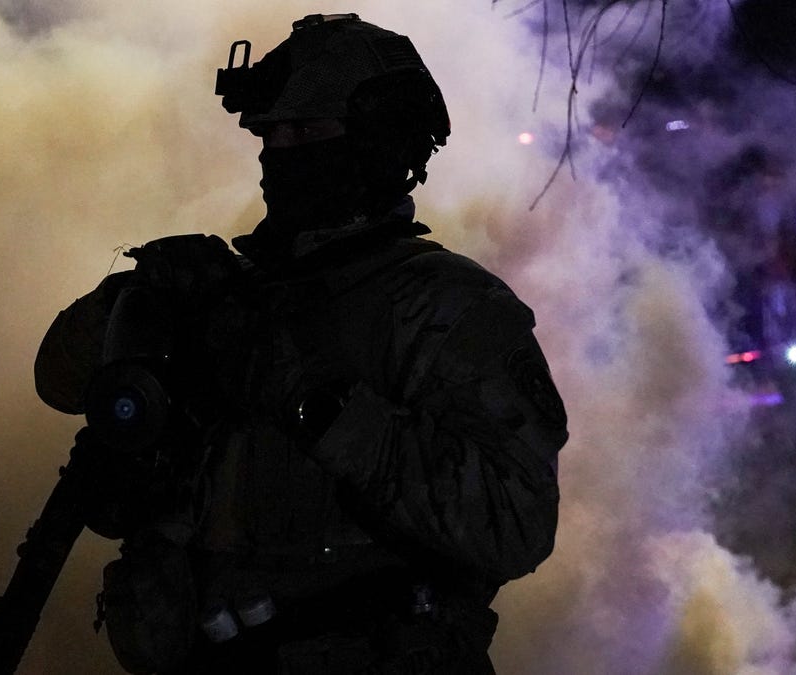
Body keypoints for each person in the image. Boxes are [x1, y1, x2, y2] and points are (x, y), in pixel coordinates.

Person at [34, 14, 568, 675]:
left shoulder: (443, 307)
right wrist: (132, 305)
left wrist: (313, 401)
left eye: (307, 131)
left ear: (376, 145)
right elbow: (56, 379)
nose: (279, 151)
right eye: (270, 133)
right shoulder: (234, 288)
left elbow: (514, 523)